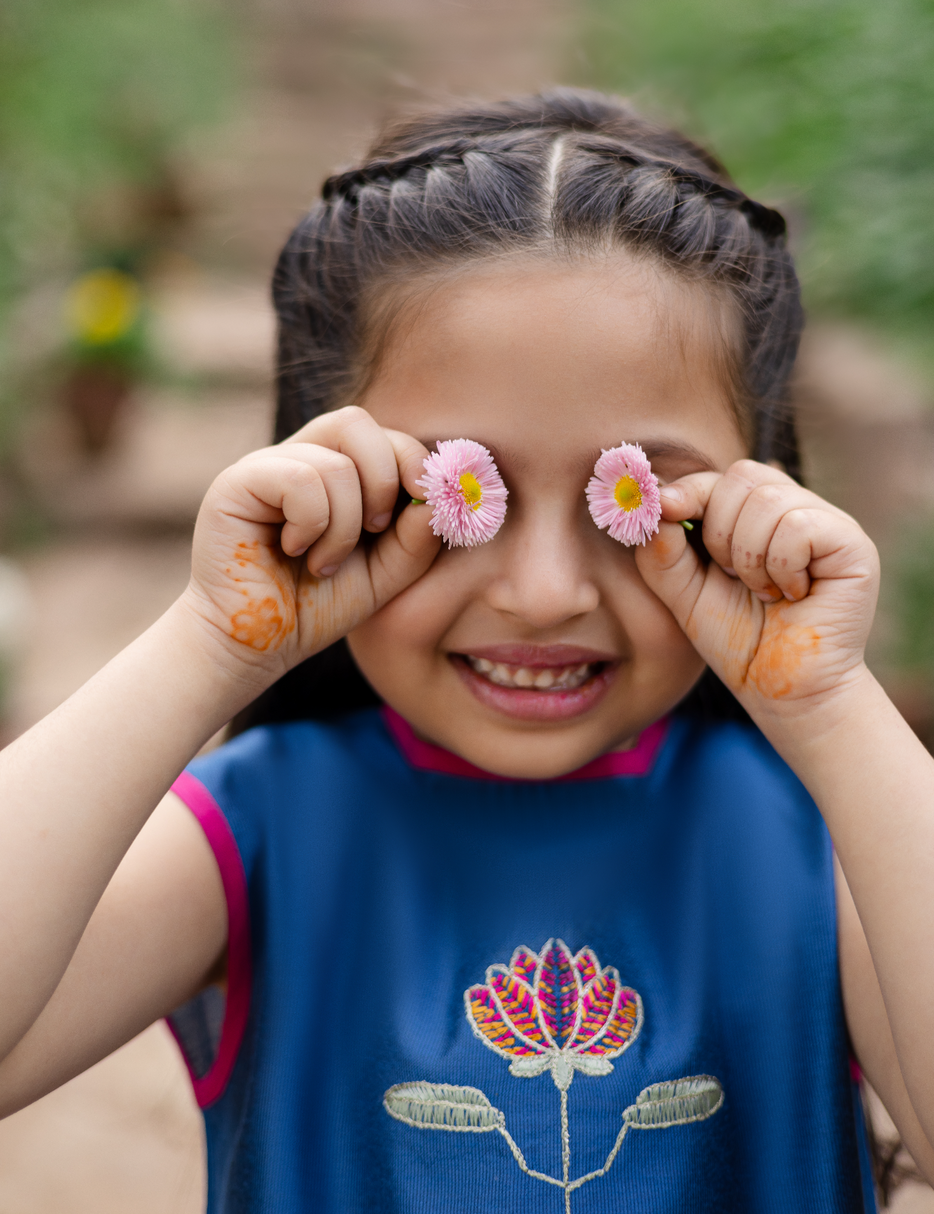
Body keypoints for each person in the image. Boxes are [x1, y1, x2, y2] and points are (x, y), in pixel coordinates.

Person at [0, 87, 931, 1213]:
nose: (544, 593)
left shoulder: (831, 838)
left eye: (629, 500)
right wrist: (208, 641)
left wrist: (832, 708)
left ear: (756, 498)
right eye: (461, 494)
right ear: (328, 481)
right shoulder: (261, 827)